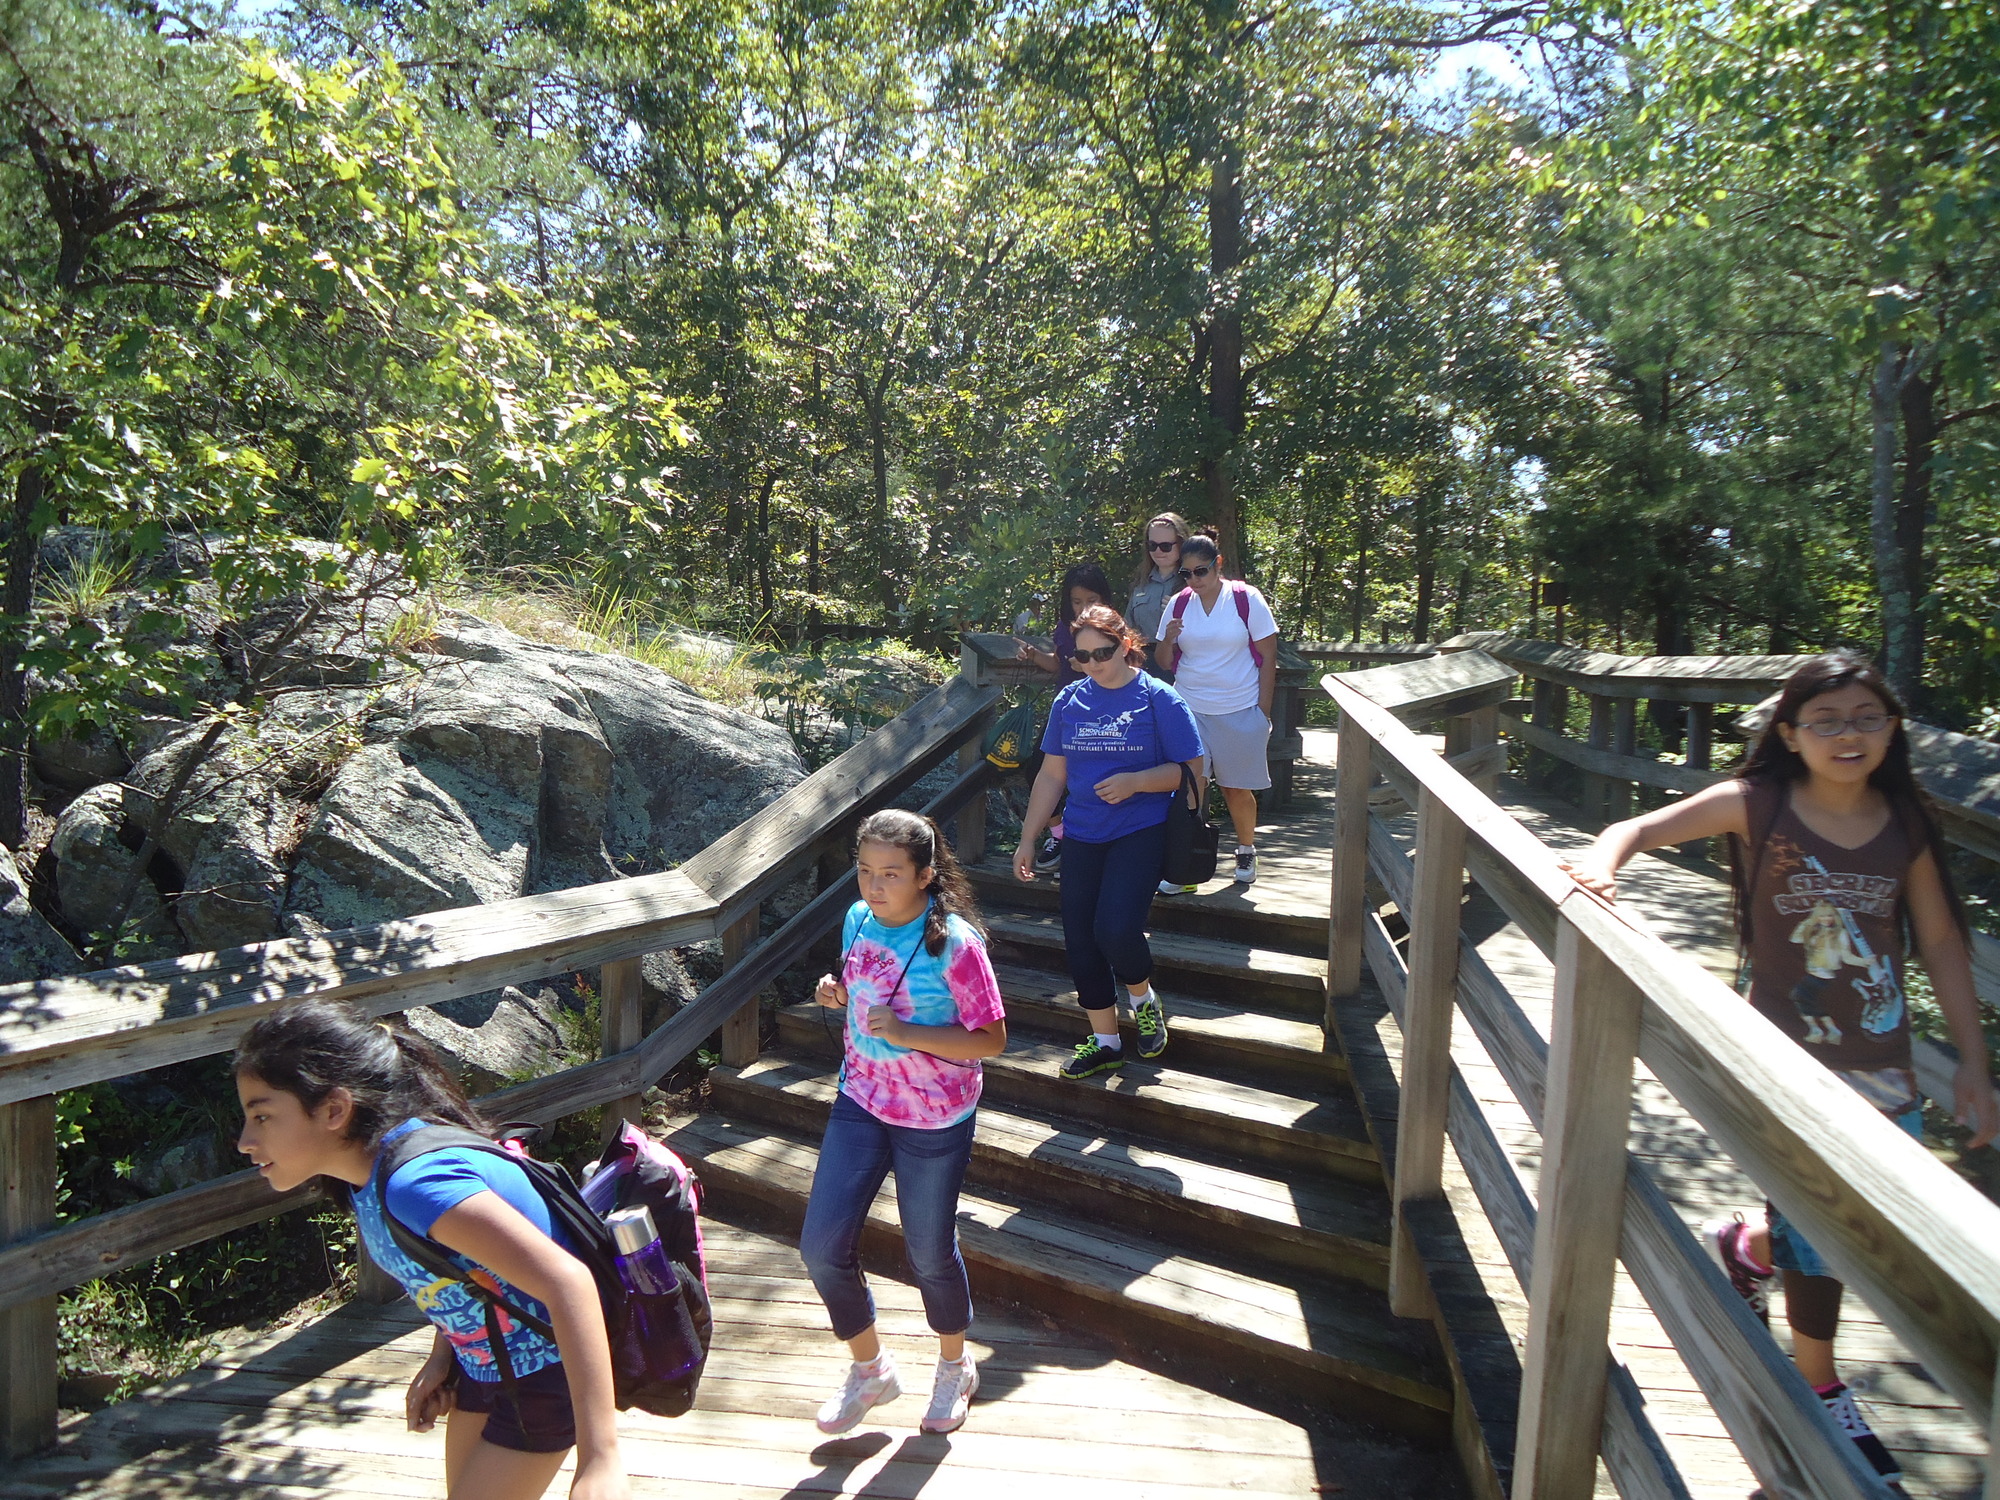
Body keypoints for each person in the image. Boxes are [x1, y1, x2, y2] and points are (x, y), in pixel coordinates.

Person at [1563, 650, 2000, 1488]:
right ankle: (1820, 1385)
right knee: (1825, 1233)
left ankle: (1744, 1246)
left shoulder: (1904, 821)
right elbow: (1642, 827)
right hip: (1783, 1063)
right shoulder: (1757, 803)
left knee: (1859, 1218)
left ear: (1892, 730)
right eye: (1826, 720)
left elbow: (1941, 942)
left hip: (1882, 1062)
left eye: (1868, 717)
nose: (1848, 734)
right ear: (1791, 734)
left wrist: (1973, 1066)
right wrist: (1604, 861)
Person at [234, 1001, 629, 1500]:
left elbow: (568, 1281)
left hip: (544, 1371)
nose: (245, 1140)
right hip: (486, 1364)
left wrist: (600, 1457)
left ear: (334, 1109)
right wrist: (444, 1355)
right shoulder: (367, 1177)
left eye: (262, 1116)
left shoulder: (415, 1183)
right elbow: (462, 1271)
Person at [803, 809, 1008, 1437]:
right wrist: (833, 992)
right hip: (861, 1099)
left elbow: (993, 1040)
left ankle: (955, 1366)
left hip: (935, 1118)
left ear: (924, 875)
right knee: (820, 1246)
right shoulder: (857, 919)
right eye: (865, 871)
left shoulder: (957, 945)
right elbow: (858, 982)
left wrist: (911, 1032)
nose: (874, 885)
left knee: (928, 1251)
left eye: (891, 873)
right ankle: (871, 1370)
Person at [1013, 604, 1206, 1079]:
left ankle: (1142, 998)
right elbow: (1051, 776)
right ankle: (1104, 1042)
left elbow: (1194, 775)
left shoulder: (1160, 699)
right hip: (1082, 833)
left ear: (1126, 645)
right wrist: (1028, 838)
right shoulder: (1070, 701)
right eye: (1082, 657)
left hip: (1140, 831)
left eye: (1103, 651)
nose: (1094, 663)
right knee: (1080, 940)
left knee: (1115, 929)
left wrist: (1137, 782)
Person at [1157, 533, 1278, 889]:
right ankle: (1186, 867)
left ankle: (1245, 850)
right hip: (1189, 708)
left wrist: (1263, 713)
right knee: (1190, 787)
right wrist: (1169, 639)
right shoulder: (1179, 605)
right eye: (1187, 574)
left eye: (1201, 571)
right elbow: (1164, 662)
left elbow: (1269, 656)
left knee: (1235, 789)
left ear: (1218, 565)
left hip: (1239, 708)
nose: (1194, 580)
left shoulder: (1245, 599)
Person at [1015, 563, 1114, 873]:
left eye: (1092, 599)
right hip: (1066, 708)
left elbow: (1125, 671)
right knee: (1037, 768)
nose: (1084, 607)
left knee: (1090, 777)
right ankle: (1060, 835)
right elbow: (1058, 666)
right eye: (1076, 601)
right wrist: (1034, 655)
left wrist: (1089, 663)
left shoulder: (1112, 630)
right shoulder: (1063, 627)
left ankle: (1093, 844)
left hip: (1101, 713)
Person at [1127, 512, 1191, 677]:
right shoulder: (1141, 583)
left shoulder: (1195, 581)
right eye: (1152, 545)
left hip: (1182, 662)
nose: (1158, 551)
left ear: (1181, 545)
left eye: (1166, 546)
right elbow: (1127, 628)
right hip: (1143, 664)